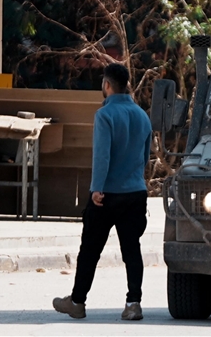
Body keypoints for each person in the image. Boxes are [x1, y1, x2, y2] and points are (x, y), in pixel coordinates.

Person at [53, 63, 152, 321]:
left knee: (90, 250)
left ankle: (77, 302)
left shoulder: (104, 116)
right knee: (132, 250)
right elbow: (145, 157)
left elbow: (102, 156)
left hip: (106, 194)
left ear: (107, 85)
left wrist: (97, 188)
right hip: (135, 193)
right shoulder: (142, 116)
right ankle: (134, 304)